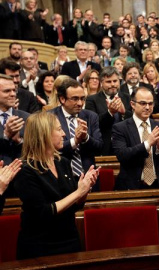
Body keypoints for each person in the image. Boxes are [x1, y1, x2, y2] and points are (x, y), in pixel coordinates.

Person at [14, 111, 99, 259]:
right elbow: (43, 213)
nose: (64, 134)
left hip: (69, 240)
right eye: (59, 129)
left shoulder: (63, 162)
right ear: (44, 134)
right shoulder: (25, 170)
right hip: (40, 246)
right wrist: (78, 192)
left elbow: (73, 205)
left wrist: (84, 190)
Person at [112, 87, 159, 190]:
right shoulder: (120, 128)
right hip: (131, 187)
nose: (147, 107)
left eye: (150, 103)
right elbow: (122, 155)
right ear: (133, 104)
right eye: (143, 103)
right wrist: (147, 144)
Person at [50, 78, 103, 185]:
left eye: (82, 98)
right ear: (62, 99)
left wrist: (85, 138)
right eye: (75, 99)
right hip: (60, 177)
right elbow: (50, 149)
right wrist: (74, 141)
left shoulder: (91, 116)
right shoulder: (49, 117)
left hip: (88, 176)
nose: (80, 103)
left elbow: (99, 147)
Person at [85, 67, 132, 156]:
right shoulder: (92, 100)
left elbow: (134, 122)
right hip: (103, 148)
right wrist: (110, 113)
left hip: (126, 146)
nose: (112, 84)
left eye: (115, 81)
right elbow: (93, 124)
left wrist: (124, 113)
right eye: (108, 82)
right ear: (101, 83)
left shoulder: (127, 97)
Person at [0, 74, 29, 166]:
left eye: (14, 90)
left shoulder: (28, 118)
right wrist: (5, 135)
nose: (13, 94)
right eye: (7, 91)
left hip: (24, 175)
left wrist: (19, 141)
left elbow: (37, 150)